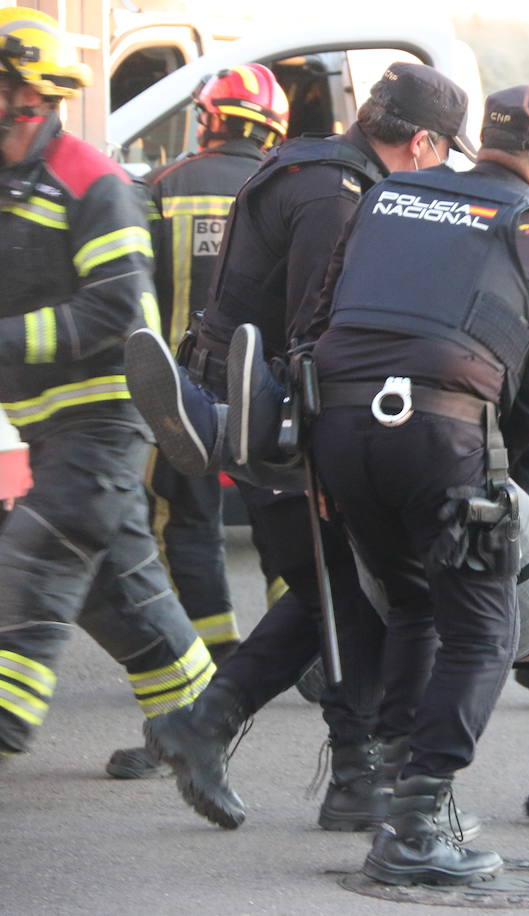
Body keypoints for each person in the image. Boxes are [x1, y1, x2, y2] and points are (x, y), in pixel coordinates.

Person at [130, 63, 477, 833]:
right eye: (443, 153)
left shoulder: (308, 165)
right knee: (348, 589)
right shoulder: (338, 196)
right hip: (279, 421)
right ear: (419, 140)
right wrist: (323, 455)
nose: (443, 170)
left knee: (335, 592)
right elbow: (314, 335)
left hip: (251, 409)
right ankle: (298, 758)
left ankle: (323, 768)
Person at [296, 82, 529, 886]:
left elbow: (317, 318)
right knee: (483, 632)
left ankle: (401, 797)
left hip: (339, 429)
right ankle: (417, 823)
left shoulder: (387, 196)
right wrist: (485, 470)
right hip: (443, 433)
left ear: (475, 141)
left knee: (411, 606)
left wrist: (321, 451)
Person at [0, 8, 213, 761]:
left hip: (104, 423)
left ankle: (6, 713)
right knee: (117, 589)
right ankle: (197, 725)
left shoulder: (94, 182)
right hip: (46, 426)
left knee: (36, 554)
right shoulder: (13, 182)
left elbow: (121, 310)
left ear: (30, 94)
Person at [105, 64, 291, 782]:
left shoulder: (162, 186)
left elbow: (135, 296)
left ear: (209, 118)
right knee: (285, 520)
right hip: (266, 392)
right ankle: (295, 657)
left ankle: (211, 649)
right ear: (271, 127)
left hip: (178, 399)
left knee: (183, 526)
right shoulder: (286, 187)